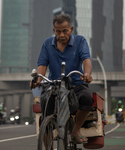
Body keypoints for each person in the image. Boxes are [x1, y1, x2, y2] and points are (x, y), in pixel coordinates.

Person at [30, 14, 93, 144]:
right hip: (54, 85)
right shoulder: (48, 43)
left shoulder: (80, 41)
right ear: (54, 31)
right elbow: (42, 66)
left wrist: (87, 74)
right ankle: (47, 141)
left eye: (65, 31)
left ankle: (75, 130)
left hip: (76, 84)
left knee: (87, 97)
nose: (62, 35)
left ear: (71, 29)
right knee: (45, 107)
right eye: (58, 31)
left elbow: (86, 60)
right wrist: (38, 80)